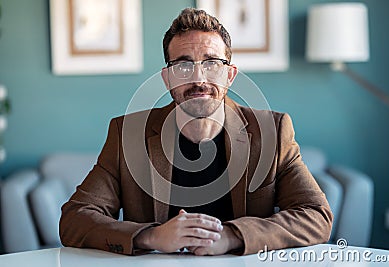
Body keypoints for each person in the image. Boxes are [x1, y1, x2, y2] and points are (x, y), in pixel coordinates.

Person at [59, 8, 333, 256]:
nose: (198, 79)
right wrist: (151, 236)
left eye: (212, 63)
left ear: (230, 75)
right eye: (183, 65)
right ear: (167, 79)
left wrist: (232, 236)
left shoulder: (272, 132)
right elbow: (75, 218)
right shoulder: (127, 135)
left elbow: (316, 215)